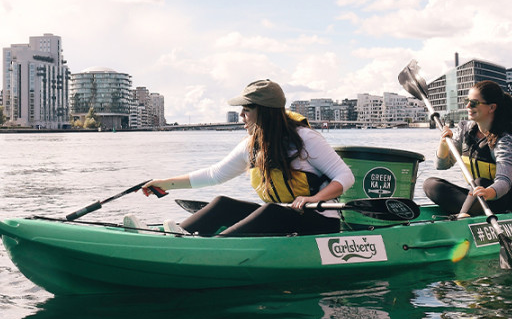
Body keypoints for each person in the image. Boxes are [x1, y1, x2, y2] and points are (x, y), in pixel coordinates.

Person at [141, 79, 355, 236]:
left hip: (318, 222)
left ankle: (211, 249)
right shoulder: (251, 146)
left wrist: (313, 199)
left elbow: (345, 177)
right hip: (282, 218)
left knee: (271, 211)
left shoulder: (305, 138)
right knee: (223, 204)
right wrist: (165, 184)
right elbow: (214, 175)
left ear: (264, 112)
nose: (241, 116)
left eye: (246, 111)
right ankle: (175, 238)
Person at [423, 80, 512, 217]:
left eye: (474, 103)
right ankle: (469, 212)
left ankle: (463, 217)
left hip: (507, 200)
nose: (468, 106)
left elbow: (504, 182)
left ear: (492, 107)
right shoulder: (465, 129)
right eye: (467, 101)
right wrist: (443, 143)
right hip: (479, 197)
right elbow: (441, 166)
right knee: (431, 185)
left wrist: (488, 192)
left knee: (480, 182)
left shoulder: (505, 139)